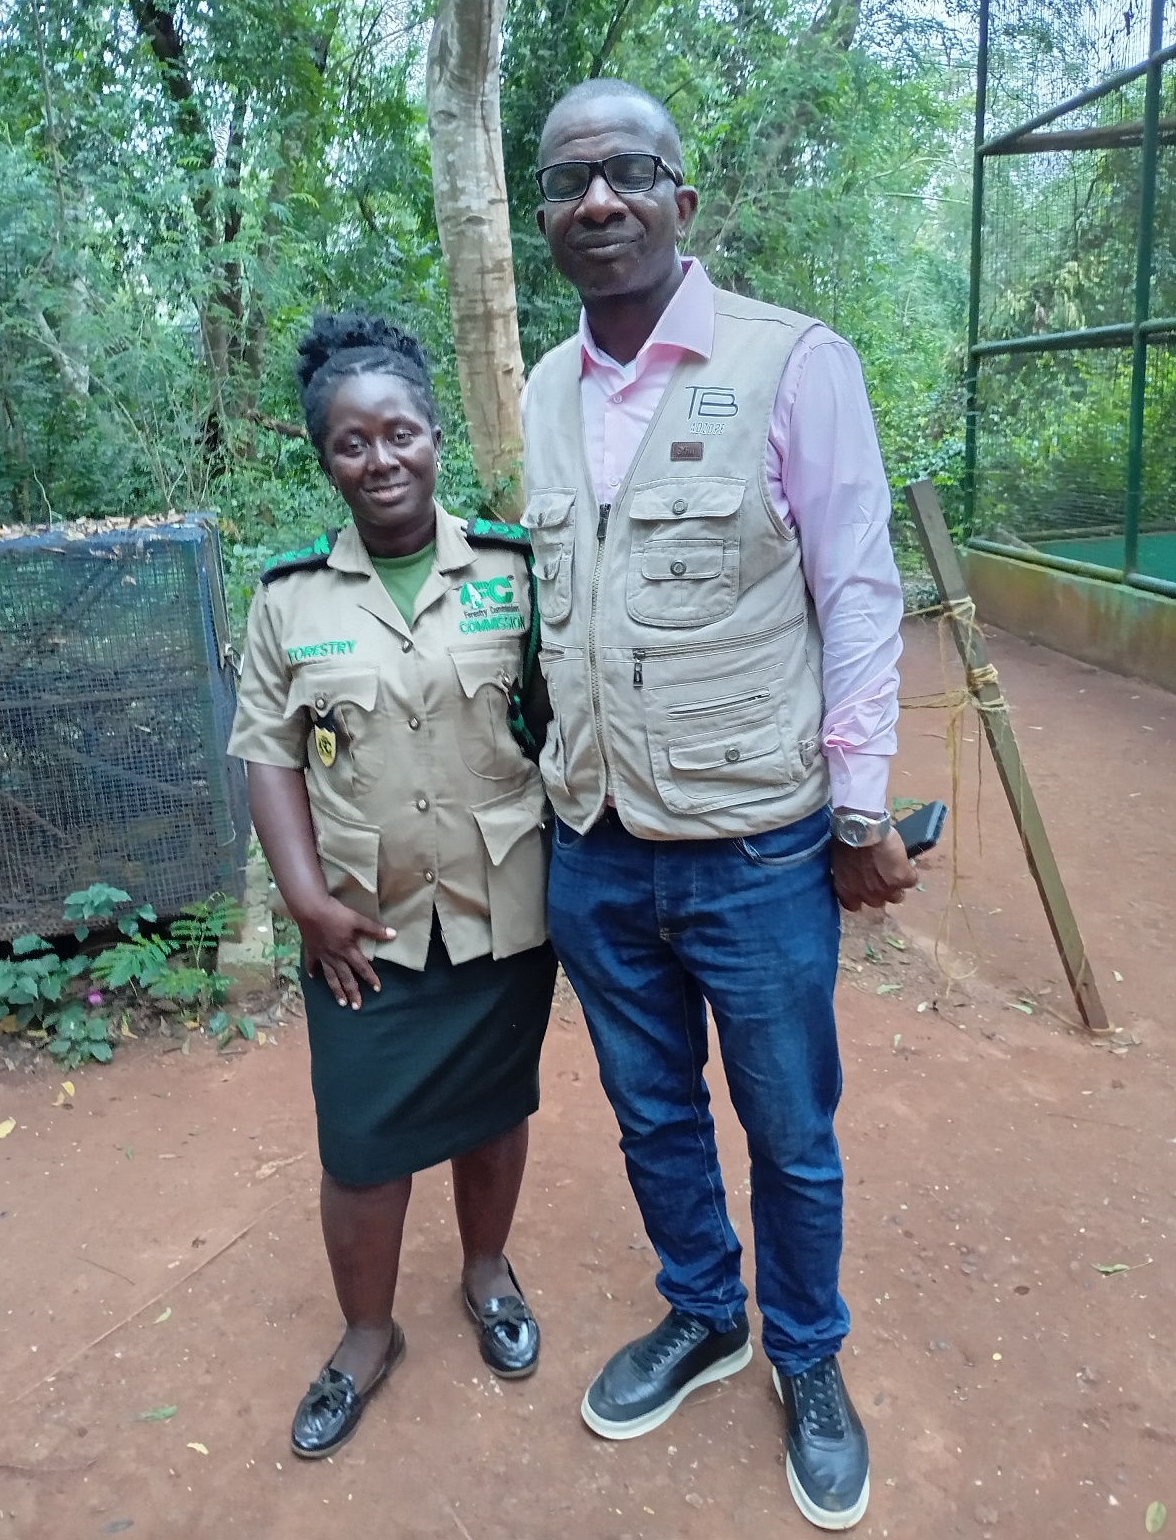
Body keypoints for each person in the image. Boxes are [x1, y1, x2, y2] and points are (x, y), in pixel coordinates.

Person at [520, 79, 915, 1532]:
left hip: (755, 846)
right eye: (567, 181)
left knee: (788, 1127)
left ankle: (806, 1355)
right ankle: (705, 1313)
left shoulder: (792, 362)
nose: (597, 199)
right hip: (595, 846)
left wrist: (857, 811)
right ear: (546, 221)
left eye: (627, 171)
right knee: (649, 1112)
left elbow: (856, 591)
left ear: (680, 200)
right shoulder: (544, 390)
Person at [228, 311, 556, 1460]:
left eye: (398, 433)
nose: (379, 459)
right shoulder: (290, 599)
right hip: (359, 926)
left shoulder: (514, 572)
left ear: (433, 438)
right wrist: (305, 903)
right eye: (351, 443)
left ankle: (486, 1272)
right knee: (360, 1145)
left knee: (494, 1110)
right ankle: (367, 1334)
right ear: (326, 461)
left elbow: (566, 723)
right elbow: (267, 755)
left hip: (502, 911)